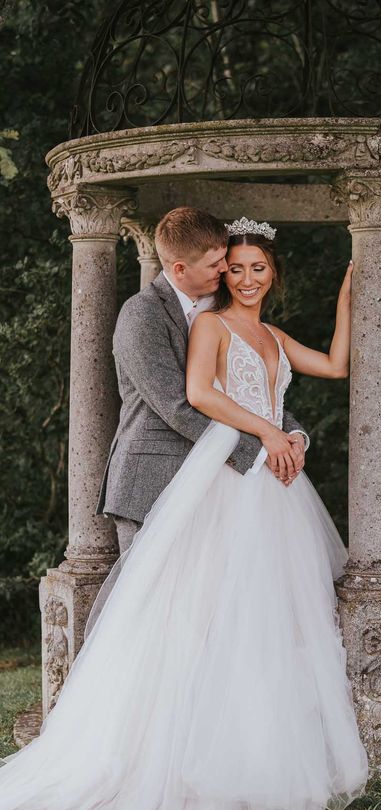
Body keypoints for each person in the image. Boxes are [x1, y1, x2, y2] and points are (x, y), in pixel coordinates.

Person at [0, 216, 368, 810]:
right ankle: (130, 753)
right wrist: (265, 441)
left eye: (249, 265)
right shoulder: (155, 318)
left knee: (240, 624)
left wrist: (352, 287)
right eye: (225, 264)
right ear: (189, 268)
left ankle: (236, 757)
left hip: (248, 482)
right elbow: (183, 400)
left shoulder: (240, 321)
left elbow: (320, 373)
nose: (235, 273)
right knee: (151, 619)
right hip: (170, 478)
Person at [98, 207, 310, 555]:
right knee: (150, 603)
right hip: (154, 478)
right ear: (180, 269)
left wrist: (290, 436)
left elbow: (249, 391)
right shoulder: (142, 315)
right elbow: (176, 406)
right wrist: (259, 448)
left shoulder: (218, 311)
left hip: (211, 486)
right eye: (215, 264)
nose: (225, 269)